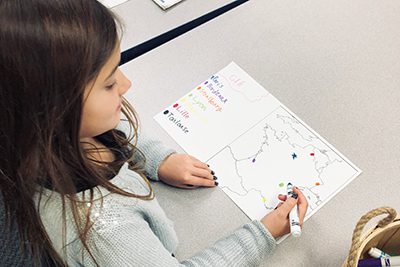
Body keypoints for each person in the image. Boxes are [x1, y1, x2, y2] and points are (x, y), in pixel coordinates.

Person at [0, 0, 308, 266]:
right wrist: (263, 235)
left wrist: (157, 159)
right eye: (109, 83)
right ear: (51, 111)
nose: (126, 85)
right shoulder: (101, 232)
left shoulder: (31, 134)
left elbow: (107, 128)